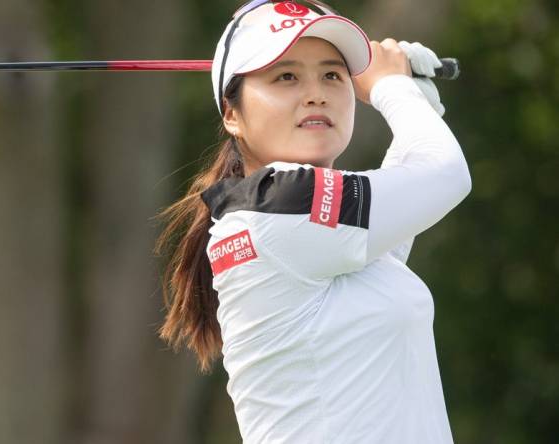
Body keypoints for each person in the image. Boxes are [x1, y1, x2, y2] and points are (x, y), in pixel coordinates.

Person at [155, 0, 471, 442]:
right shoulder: (281, 204)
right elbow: (445, 175)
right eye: (285, 76)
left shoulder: (293, 217)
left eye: (332, 74)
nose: (316, 92)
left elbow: (412, 195)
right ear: (232, 115)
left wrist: (413, 102)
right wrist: (393, 89)